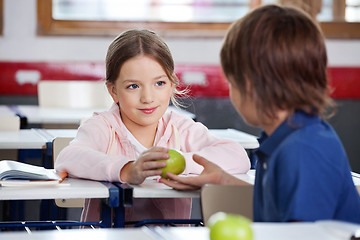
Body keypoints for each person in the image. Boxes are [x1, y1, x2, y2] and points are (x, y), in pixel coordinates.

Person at [160, 5, 360, 223]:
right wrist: (224, 180)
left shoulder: (302, 151)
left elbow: (301, 235)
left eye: (232, 83)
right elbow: (278, 206)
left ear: (249, 87)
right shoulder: (289, 138)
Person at [55, 29, 250, 225]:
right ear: (113, 91)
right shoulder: (103, 126)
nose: (148, 98)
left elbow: (237, 155)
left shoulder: (180, 128)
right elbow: (68, 157)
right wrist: (126, 170)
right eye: (133, 86)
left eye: (159, 83)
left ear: (172, 83)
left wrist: (182, 163)